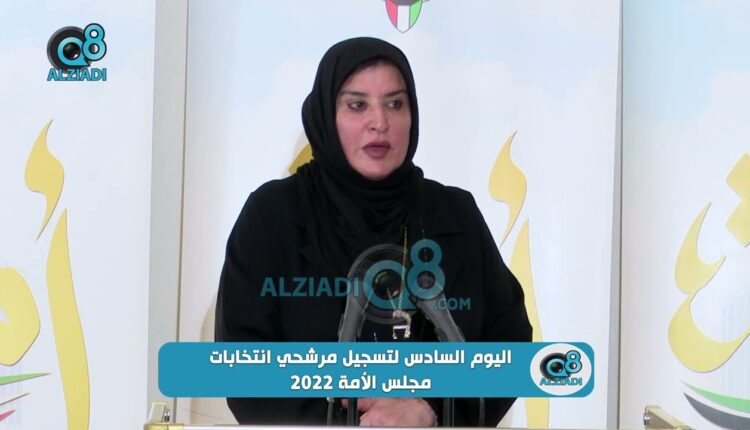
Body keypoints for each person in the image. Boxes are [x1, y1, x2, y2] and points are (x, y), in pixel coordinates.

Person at [215, 37, 532, 426]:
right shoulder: (273, 215)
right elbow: (242, 368)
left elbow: (510, 345)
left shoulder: (454, 214)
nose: (379, 122)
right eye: (357, 105)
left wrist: (430, 409)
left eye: (395, 104)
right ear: (326, 115)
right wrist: (358, 423)